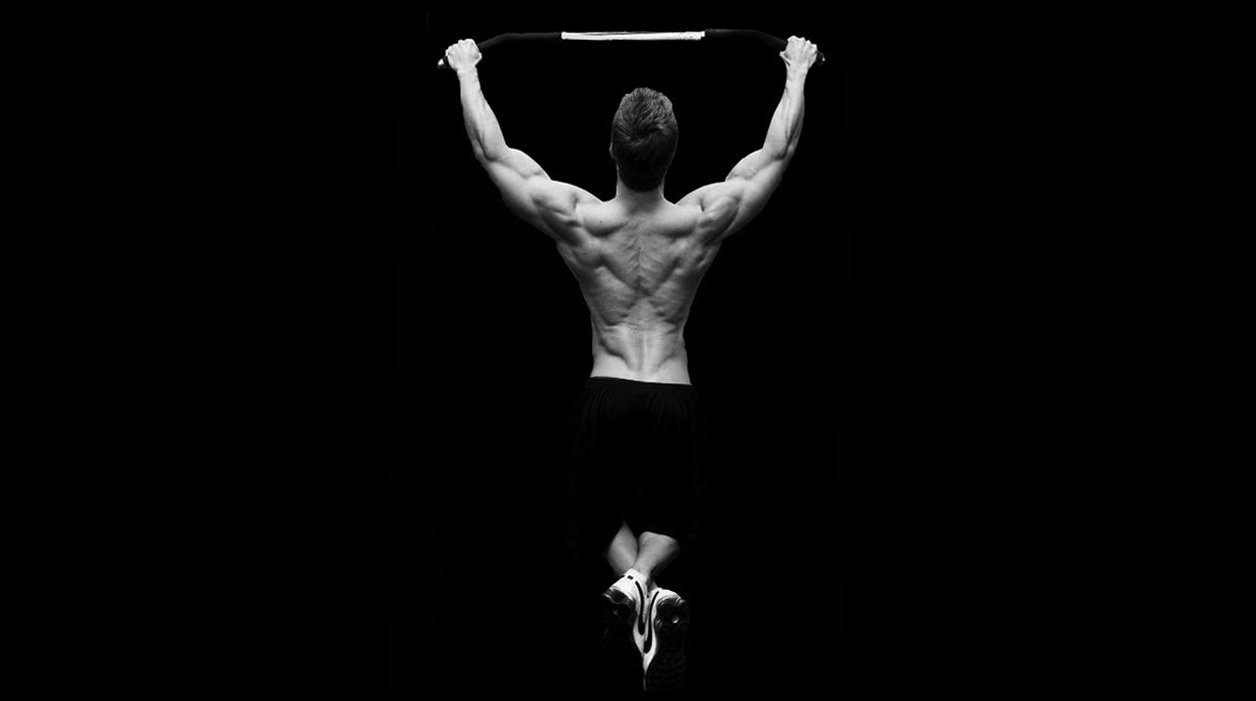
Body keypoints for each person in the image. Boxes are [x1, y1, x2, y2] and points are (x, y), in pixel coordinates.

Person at [444, 34, 819, 693]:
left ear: (612, 150)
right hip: (674, 391)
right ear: (672, 154)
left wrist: (468, 71)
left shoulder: (575, 216)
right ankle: (645, 578)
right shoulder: (704, 216)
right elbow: (779, 152)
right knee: (676, 523)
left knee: (592, 523)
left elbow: (490, 152)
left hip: (606, 390)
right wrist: (796, 70)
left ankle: (632, 582)